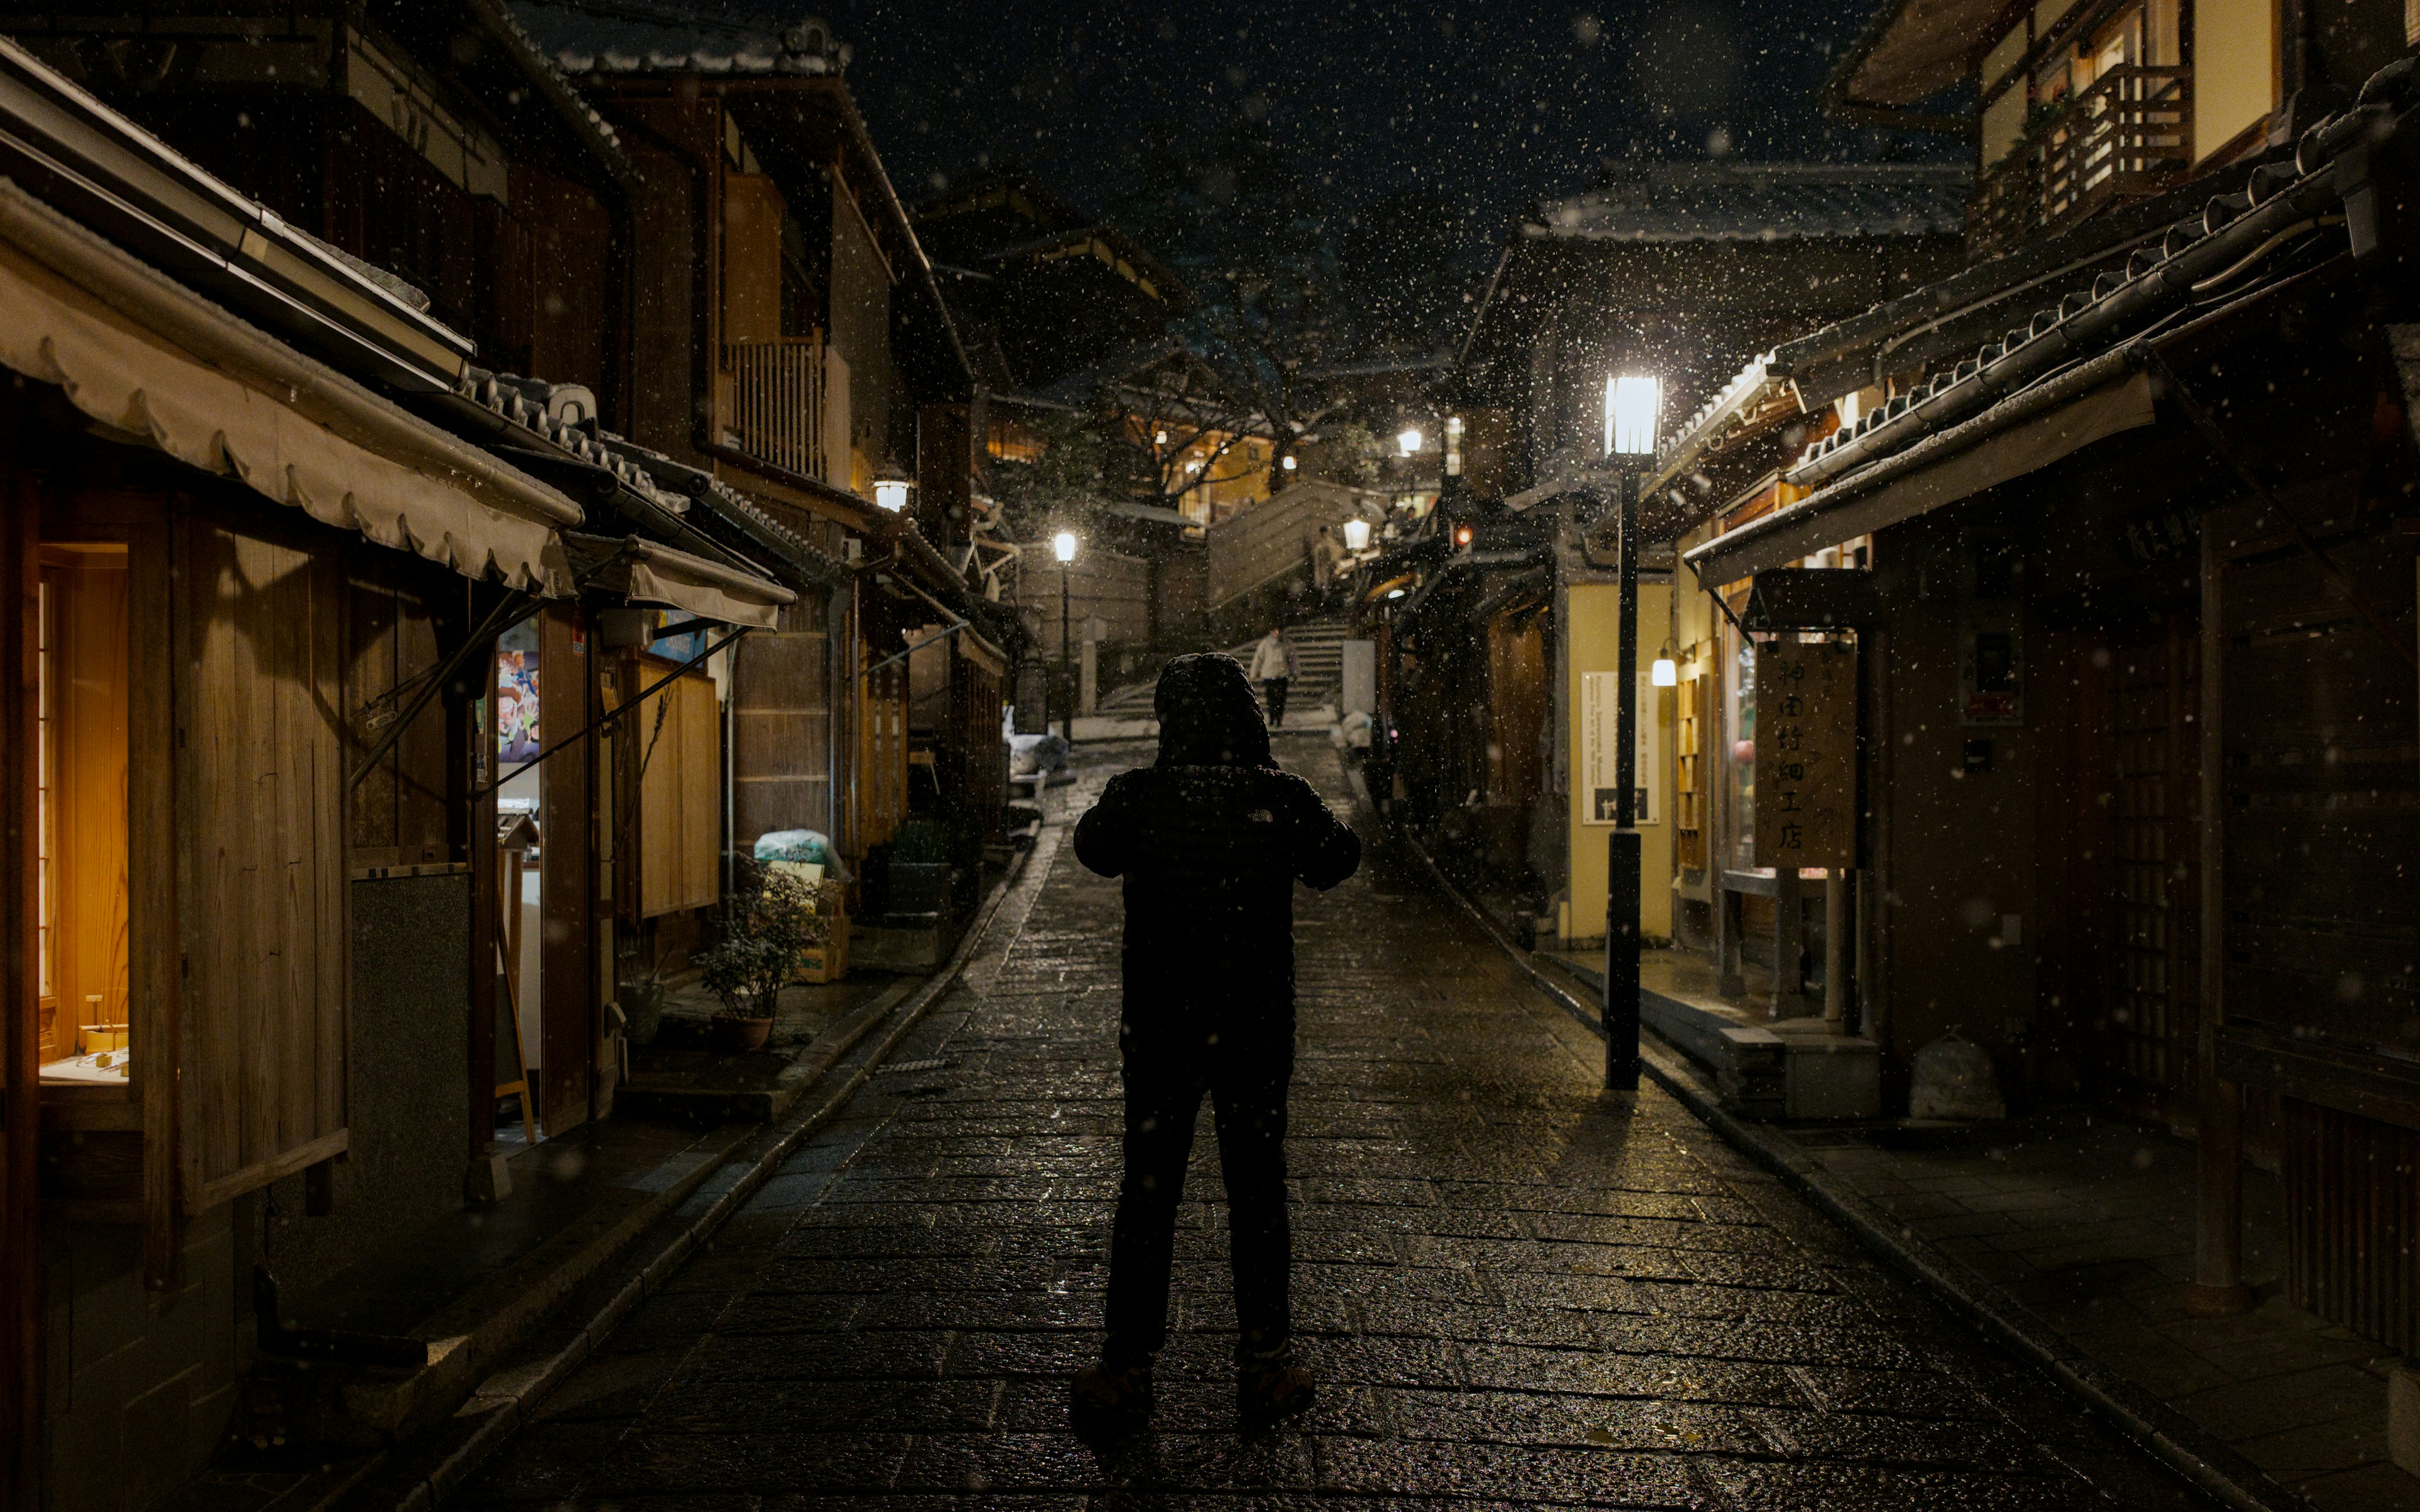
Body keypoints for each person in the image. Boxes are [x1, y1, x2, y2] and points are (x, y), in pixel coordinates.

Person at [1068, 653, 1361, 1435]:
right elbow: (1338, 859)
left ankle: (1127, 1363)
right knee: (1257, 1188)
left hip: (1160, 1023)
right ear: (1247, 718)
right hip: (1254, 1026)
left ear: (1170, 720)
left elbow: (1092, 848)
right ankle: (1265, 1360)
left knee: (1148, 1190)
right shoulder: (1280, 797)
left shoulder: (1139, 796)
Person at [1247, 626, 1296, 727]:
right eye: (1274, 631)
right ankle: (1272, 717)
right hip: (1269, 675)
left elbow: (1292, 659)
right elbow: (1258, 659)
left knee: (1281, 698)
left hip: (1282, 674)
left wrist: (1294, 672)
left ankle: (1279, 718)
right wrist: (1254, 673)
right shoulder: (1265, 643)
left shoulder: (1286, 644)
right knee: (1271, 698)